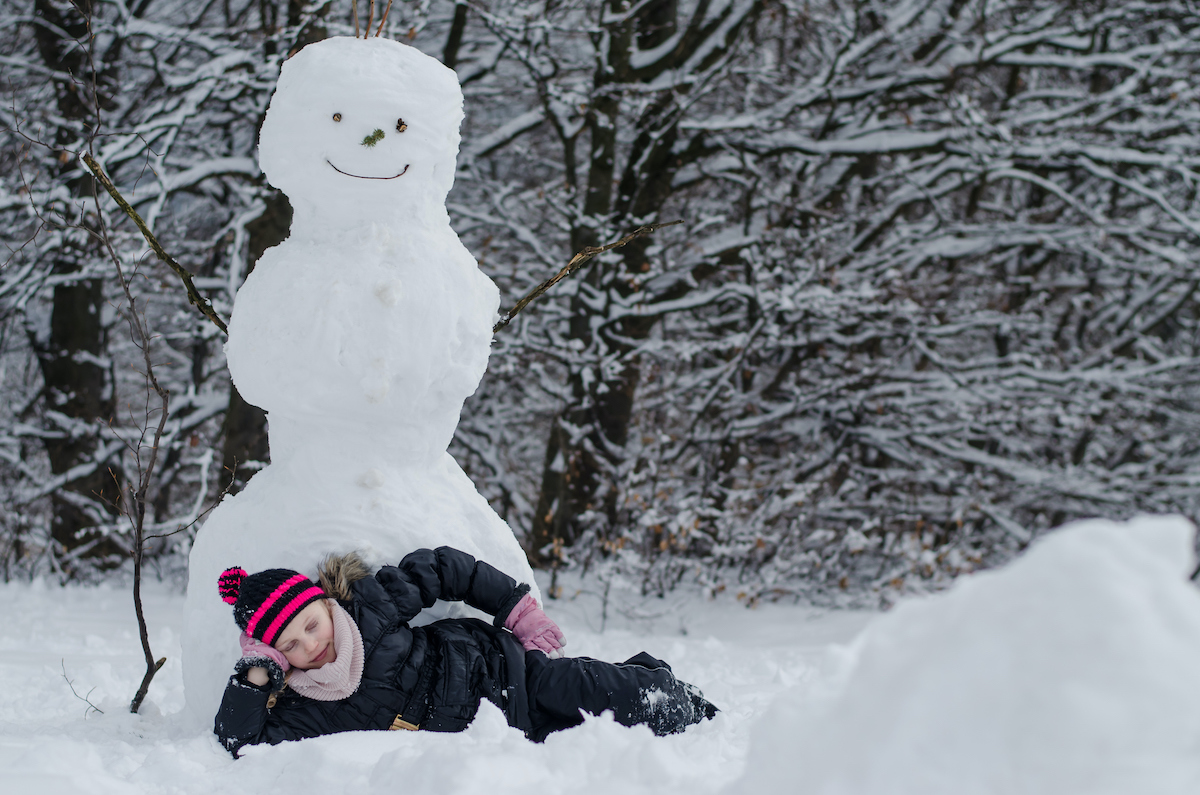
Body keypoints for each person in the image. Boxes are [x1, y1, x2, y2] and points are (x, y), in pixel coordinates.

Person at [213, 546, 716, 756]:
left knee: (610, 696)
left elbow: (445, 569)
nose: (311, 644)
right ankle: (646, 679)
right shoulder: (308, 705)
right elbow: (240, 741)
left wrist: (515, 608)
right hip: (495, 740)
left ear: (324, 604)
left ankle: (676, 696)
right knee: (593, 746)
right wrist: (257, 674)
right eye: (290, 646)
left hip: (506, 672)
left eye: (310, 625)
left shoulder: (370, 607)